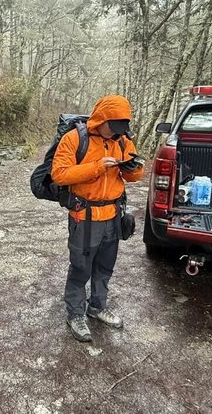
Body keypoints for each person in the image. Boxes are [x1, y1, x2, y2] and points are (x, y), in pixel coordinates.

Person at [51, 95, 145, 342]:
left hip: (113, 216)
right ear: (101, 119)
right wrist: (98, 166)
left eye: (120, 129)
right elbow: (59, 174)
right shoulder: (74, 139)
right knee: (81, 267)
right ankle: (75, 314)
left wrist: (133, 169)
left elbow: (135, 176)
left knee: (105, 266)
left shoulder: (122, 140)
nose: (116, 134)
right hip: (85, 216)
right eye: (112, 128)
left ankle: (97, 307)